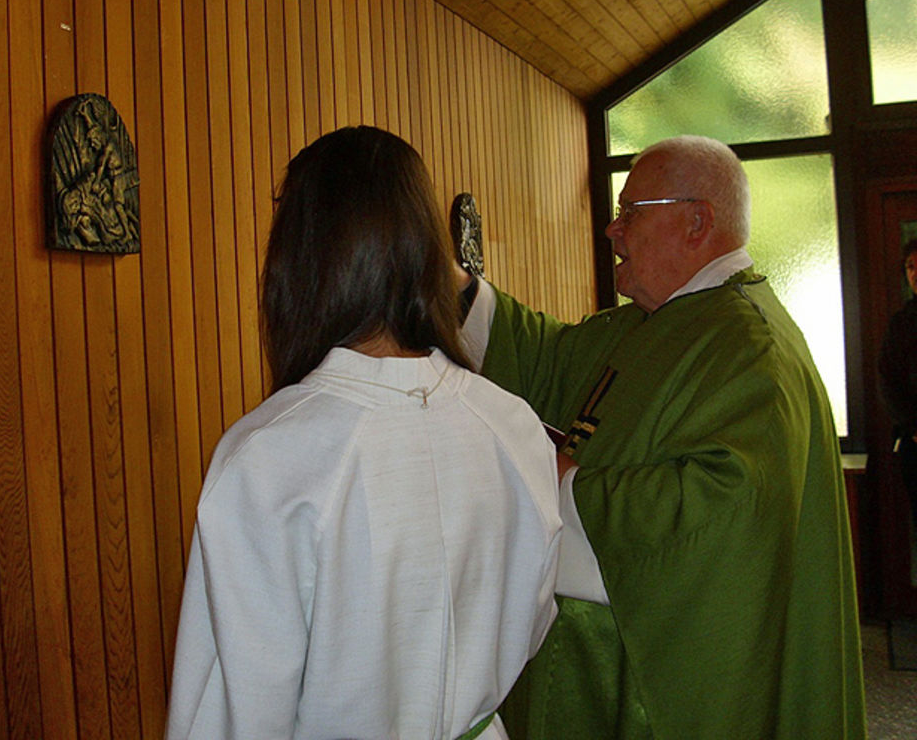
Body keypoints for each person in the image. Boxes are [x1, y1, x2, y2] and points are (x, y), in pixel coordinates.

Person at [459, 135, 865, 739]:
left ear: (697, 221)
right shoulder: (660, 321)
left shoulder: (750, 346)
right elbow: (547, 356)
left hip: (675, 682)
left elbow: (723, 507)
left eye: (629, 213)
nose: (612, 229)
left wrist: (564, 486)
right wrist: (450, 286)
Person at [165, 126, 563, 740]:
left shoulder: (271, 454)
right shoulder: (513, 425)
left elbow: (228, 710)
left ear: (299, 264)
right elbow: (531, 622)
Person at [879, 237, 917, 528]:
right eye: (910, 267)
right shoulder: (901, 322)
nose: (915, 273)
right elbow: (888, 380)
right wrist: (913, 428)